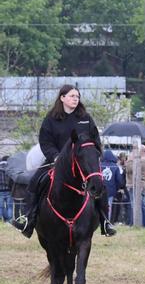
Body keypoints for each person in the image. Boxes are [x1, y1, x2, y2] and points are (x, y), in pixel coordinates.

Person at [12, 85, 115, 238]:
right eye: (72, 96)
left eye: (77, 96)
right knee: (35, 182)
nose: (75, 99)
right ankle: (28, 219)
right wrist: (55, 156)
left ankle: (105, 221)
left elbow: (95, 140)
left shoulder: (85, 118)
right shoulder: (51, 119)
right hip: (56, 161)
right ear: (62, 98)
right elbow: (45, 141)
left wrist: (93, 155)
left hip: (82, 163)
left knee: (99, 183)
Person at [100, 150, 124, 225]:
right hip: (110, 191)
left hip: (100, 190)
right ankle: (107, 222)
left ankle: (99, 222)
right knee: (108, 207)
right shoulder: (115, 166)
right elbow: (119, 181)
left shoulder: (99, 165)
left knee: (99, 206)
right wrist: (116, 189)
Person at [0, 156, 11, 222]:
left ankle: (1, 218)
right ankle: (9, 220)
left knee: (0, 206)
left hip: (0, 191)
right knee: (9, 206)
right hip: (9, 190)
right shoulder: (10, 168)